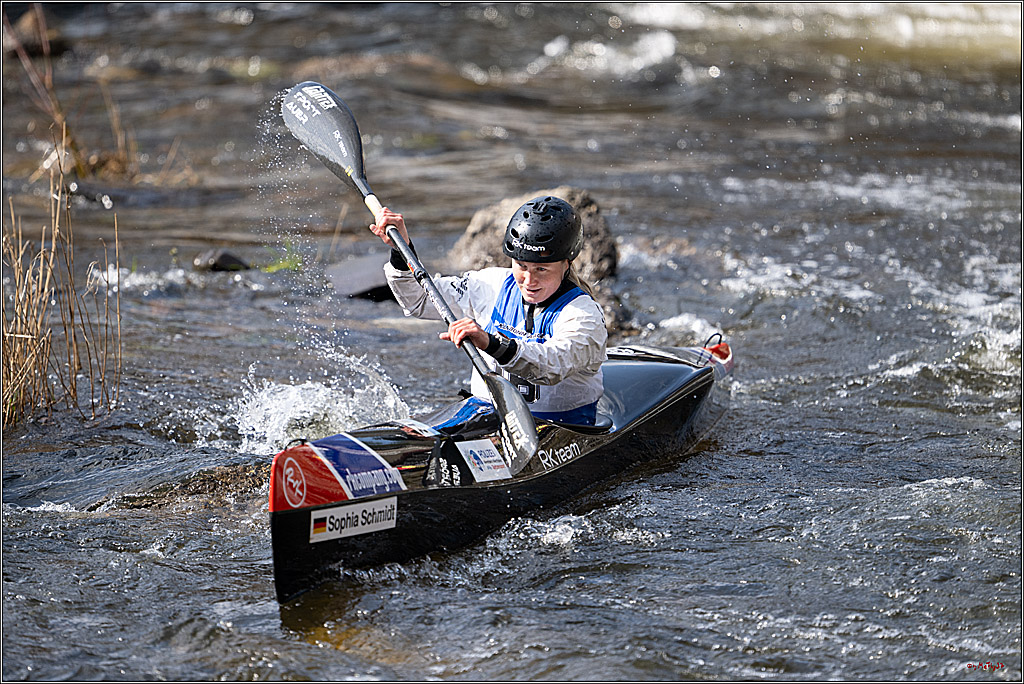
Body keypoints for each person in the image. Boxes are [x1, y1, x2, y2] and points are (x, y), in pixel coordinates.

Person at [369, 196, 607, 425]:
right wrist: (401, 250)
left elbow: (551, 365)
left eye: (541, 269)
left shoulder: (583, 315)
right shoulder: (489, 285)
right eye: (521, 266)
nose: (528, 280)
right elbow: (419, 300)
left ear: (567, 263)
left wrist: (490, 343)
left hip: (561, 428)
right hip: (486, 418)